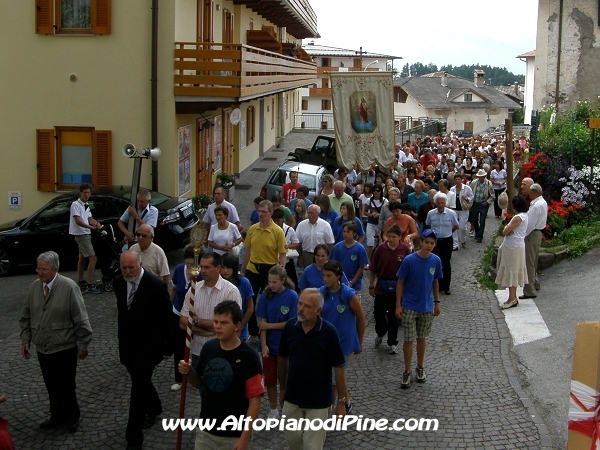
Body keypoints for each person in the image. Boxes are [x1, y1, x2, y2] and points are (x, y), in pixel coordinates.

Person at [19, 251, 92, 433]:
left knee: (67, 385)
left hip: (64, 347)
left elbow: (81, 318)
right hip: (43, 348)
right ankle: (57, 415)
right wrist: (25, 339)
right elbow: (25, 316)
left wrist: (83, 345)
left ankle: (73, 416)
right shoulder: (35, 287)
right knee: (51, 385)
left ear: (55, 269)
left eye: (44, 269)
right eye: (38, 269)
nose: (40, 273)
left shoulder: (69, 287)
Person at [178, 301, 264, 450]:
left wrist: (244, 439)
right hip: (206, 432)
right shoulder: (208, 348)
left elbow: (254, 401)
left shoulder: (249, 357)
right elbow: (199, 383)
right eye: (216, 321)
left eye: (224, 323)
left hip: (234, 436)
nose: (217, 326)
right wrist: (189, 371)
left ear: (237, 325)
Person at [278, 289, 347, 450]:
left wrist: (341, 402)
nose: (301, 309)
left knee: (312, 446)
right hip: (293, 397)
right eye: (300, 304)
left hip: (319, 401)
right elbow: (282, 359)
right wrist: (282, 389)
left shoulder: (329, 332)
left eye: (307, 306)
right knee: (293, 441)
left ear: (318, 311)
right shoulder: (290, 327)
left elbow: (339, 367)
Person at [115, 250, 171, 449]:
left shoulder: (155, 286)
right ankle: (155, 405)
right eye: (124, 267)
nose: (127, 271)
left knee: (137, 390)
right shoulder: (119, 283)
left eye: (131, 267)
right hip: (128, 347)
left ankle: (134, 437)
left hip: (148, 349)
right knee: (140, 382)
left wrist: (167, 347)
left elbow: (166, 318)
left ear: (140, 265)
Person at [395, 229, 442, 389]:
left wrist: (437, 302)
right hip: (409, 305)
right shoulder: (409, 260)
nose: (429, 245)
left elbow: (435, 281)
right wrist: (398, 304)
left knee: (422, 338)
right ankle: (407, 370)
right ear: (421, 242)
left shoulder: (435, 261)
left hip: (426, 306)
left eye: (432, 243)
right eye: (427, 242)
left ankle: (420, 367)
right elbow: (400, 282)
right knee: (408, 339)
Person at [319, 261, 366, 414]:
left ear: (338, 276)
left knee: (334, 377)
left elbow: (361, 318)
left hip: (344, 342)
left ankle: (335, 405)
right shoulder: (321, 293)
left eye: (329, 276)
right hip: (326, 343)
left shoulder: (348, 294)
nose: (325, 279)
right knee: (331, 376)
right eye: (324, 275)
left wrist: (359, 341)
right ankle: (346, 401)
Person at [180, 253, 242, 366]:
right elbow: (183, 323)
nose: (202, 271)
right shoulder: (194, 289)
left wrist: (197, 321)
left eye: (207, 267)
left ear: (218, 268)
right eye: (201, 267)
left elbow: (232, 326)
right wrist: (209, 331)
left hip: (222, 352)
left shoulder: (231, 291)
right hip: (198, 351)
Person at [256, 266, 298, 420]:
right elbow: (263, 323)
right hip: (270, 345)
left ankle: (286, 405)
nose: (271, 285)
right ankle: (273, 408)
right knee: (270, 379)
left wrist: (269, 326)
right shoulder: (266, 296)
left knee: (285, 378)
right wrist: (264, 344)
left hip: (285, 346)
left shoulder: (292, 296)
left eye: (274, 282)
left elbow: (291, 323)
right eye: (269, 282)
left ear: (283, 281)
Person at [241, 200, 287, 338]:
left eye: (263, 212)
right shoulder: (253, 229)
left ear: (271, 213)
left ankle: (268, 326)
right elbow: (247, 250)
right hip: (253, 268)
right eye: (259, 212)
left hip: (270, 270)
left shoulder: (277, 231)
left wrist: (280, 272)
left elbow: (283, 254)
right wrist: (243, 270)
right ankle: (253, 330)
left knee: (269, 299)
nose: (260, 214)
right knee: (249, 299)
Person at [369, 225, 411, 354]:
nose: (391, 239)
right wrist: (371, 285)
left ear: (400, 237)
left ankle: (393, 342)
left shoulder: (405, 249)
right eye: (389, 236)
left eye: (394, 237)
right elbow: (373, 268)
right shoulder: (381, 248)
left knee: (395, 316)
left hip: (398, 287)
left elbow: (410, 269)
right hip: (382, 286)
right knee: (378, 313)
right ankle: (381, 332)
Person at [169, 244, 200, 392]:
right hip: (177, 312)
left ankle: (196, 374)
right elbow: (174, 288)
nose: (189, 267)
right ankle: (179, 378)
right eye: (187, 263)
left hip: (194, 315)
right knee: (178, 346)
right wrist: (169, 305)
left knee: (196, 345)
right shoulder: (179, 270)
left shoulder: (201, 274)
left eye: (192, 264)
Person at [496, 195, 530, 309]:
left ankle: (511, 298)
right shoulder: (525, 216)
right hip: (518, 245)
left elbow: (505, 231)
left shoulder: (518, 217)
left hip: (512, 247)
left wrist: (507, 228)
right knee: (514, 270)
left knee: (511, 270)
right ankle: (513, 296)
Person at [69, 183, 103, 294]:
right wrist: (90, 227)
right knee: (93, 259)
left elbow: (89, 218)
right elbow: (78, 220)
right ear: (80, 193)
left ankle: (80, 280)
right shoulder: (75, 205)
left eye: (88, 192)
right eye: (85, 192)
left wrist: (96, 223)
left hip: (85, 233)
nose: (87, 195)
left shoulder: (86, 205)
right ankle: (90, 284)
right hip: (81, 235)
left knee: (82, 258)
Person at [425, 193, 459, 295]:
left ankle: (446, 286)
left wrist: (448, 232)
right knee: (434, 262)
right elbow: (428, 225)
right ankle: (435, 284)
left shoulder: (451, 213)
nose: (440, 205)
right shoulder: (431, 213)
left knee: (446, 263)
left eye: (442, 203)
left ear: (445, 203)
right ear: (435, 203)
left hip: (447, 240)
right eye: (438, 203)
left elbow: (456, 226)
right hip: (435, 242)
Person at [520, 182, 548, 300]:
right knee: (533, 260)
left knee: (529, 262)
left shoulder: (536, 206)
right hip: (538, 233)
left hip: (532, 234)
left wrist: (522, 235)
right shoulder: (543, 202)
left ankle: (529, 289)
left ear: (533, 192)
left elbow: (530, 224)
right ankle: (535, 283)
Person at [220, 252, 254, 341]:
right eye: (223, 267)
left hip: (239, 328)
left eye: (228, 267)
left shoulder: (244, 282)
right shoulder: (217, 282)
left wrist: (240, 327)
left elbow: (250, 308)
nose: (225, 271)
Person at [330, 221, 368, 294]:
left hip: (355, 284)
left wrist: (353, 281)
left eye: (348, 232)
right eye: (344, 231)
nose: (345, 234)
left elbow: (361, 266)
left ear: (354, 233)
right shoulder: (337, 247)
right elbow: (333, 264)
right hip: (339, 282)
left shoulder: (360, 248)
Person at [295, 204, 335, 269]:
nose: (310, 215)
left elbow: (330, 244)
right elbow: (298, 243)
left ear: (318, 214)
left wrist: (327, 257)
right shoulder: (301, 225)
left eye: (313, 213)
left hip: (321, 256)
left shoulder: (325, 225)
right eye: (309, 213)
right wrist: (300, 257)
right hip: (306, 255)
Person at [272, 208, 301, 289]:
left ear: (283, 219)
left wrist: (287, 246)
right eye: (275, 221)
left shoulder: (289, 230)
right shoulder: (271, 230)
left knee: (290, 283)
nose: (276, 223)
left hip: (287, 261)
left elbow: (296, 244)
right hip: (273, 260)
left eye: (278, 220)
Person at [470, 169, 495, 243]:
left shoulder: (488, 183)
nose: (481, 178)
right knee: (474, 220)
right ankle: (477, 232)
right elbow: (471, 193)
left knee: (482, 220)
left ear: (484, 176)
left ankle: (480, 236)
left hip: (483, 204)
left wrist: (487, 202)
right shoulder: (474, 183)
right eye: (479, 177)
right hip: (475, 203)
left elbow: (492, 195)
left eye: (482, 176)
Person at [363, 184, 388, 260]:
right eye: (374, 191)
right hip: (371, 223)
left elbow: (386, 213)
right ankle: (368, 259)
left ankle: (379, 259)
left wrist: (379, 215)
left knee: (380, 243)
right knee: (370, 243)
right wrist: (370, 215)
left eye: (377, 191)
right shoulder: (369, 200)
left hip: (380, 224)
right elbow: (365, 211)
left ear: (381, 192)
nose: (376, 192)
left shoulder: (385, 201)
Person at [451, 174, 474, 249]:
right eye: (456, 179)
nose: (457, 181)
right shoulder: (452, 189)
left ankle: (463, 240)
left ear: (461, 180)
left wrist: (467, 198)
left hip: (463, 210)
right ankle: (455, 244)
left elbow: (472, 197)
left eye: (459, 179)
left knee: (462, 227)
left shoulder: (466, 188)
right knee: (454, 226)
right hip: (454, 210)